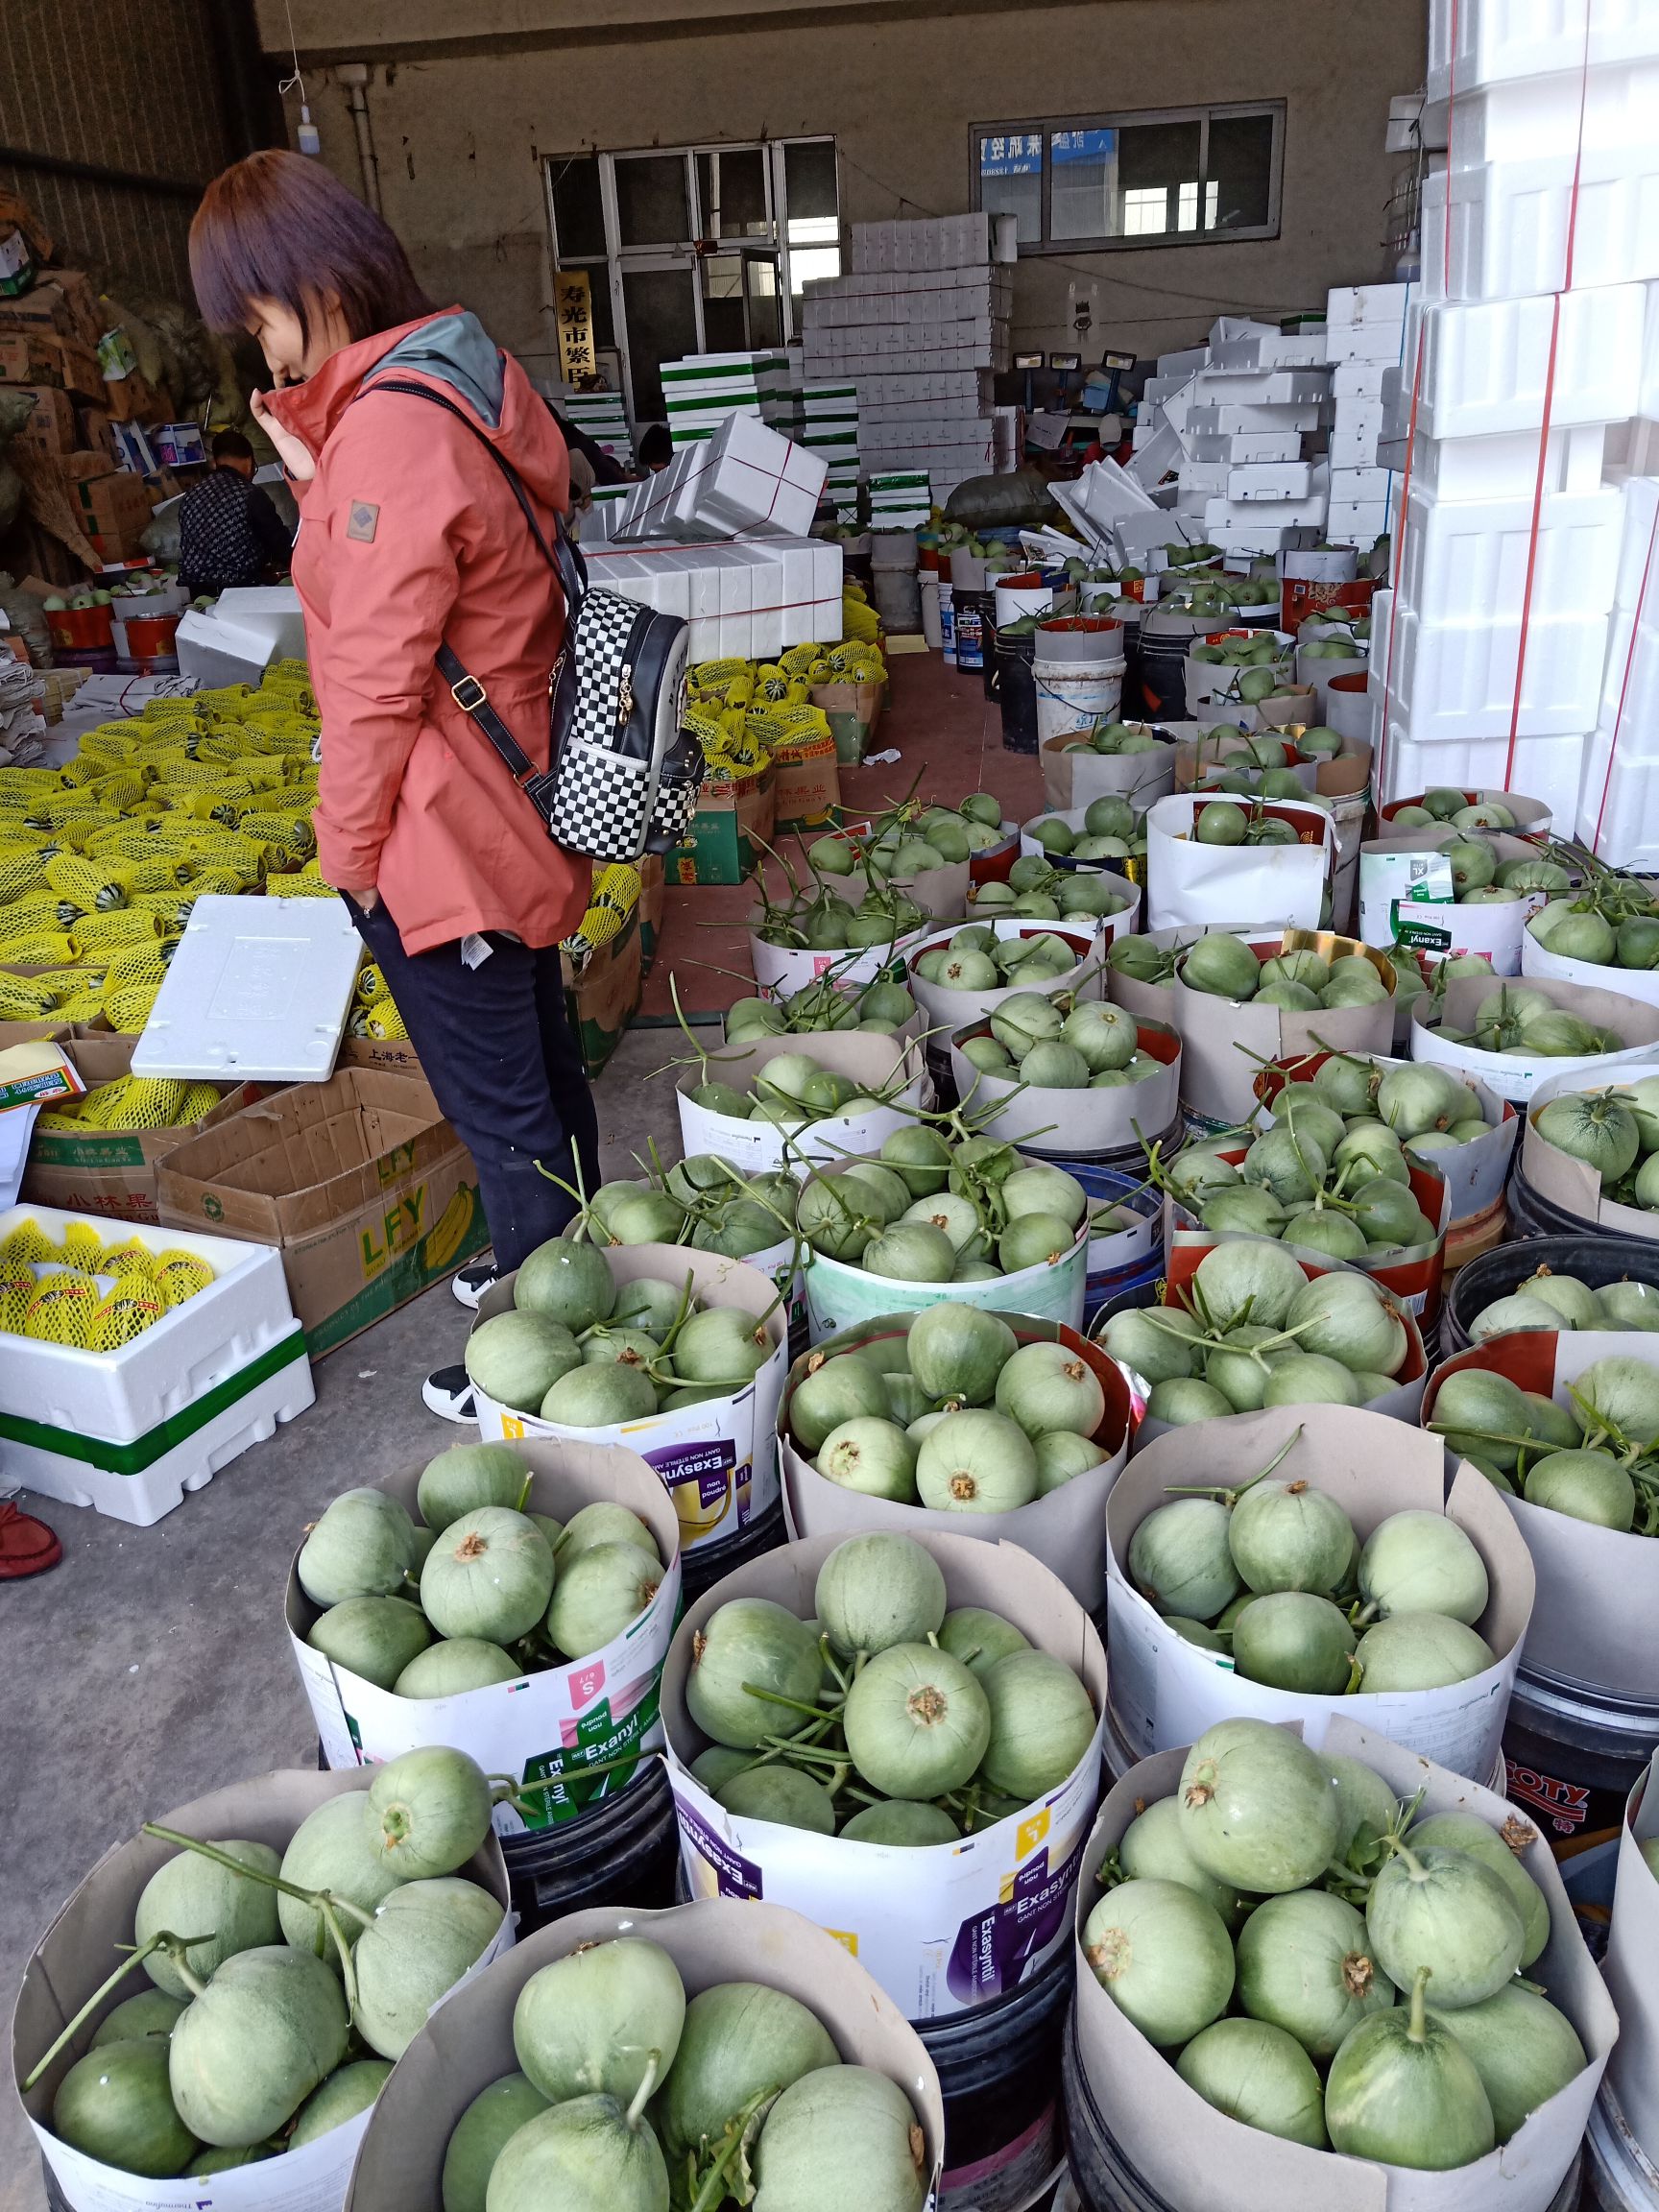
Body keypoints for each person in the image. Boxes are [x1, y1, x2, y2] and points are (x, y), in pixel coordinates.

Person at [189, 149, 601, 1423]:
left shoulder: (387, 437)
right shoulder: (456, 383)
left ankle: (553, 1357)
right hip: (514, 791)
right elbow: (418, 574)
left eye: (254, 315)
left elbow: (368, 679)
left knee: (503, 1102)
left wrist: (347, 853)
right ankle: (563, 1262)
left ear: (306, 283)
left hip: (444, 830)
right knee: (535, 1058)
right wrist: (318, 463)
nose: (255, 348)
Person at [177, 426, 293, 596]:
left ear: (215, 462)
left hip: (195, 592)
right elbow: (280, 545)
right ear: (249, 461)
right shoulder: (250, 494)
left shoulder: (191, 495)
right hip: (239, 591)